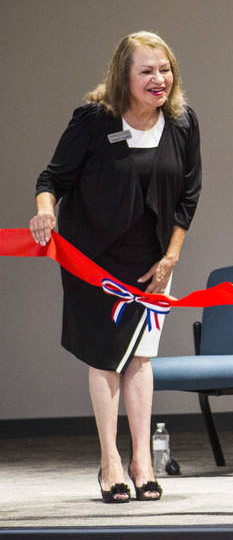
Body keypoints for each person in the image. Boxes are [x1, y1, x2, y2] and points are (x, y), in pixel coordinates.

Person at [31, 31, 202, 503]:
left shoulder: (182, 122)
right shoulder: (93, 120)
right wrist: (46, 209)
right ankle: (109, 462)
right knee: (106, 358)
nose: (158, 79)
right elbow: (52, 178)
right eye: (146, 70)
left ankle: (141, 461)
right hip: (93, 262)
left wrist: (172, 256)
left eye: (164, 69)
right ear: (122, 76)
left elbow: (188, 194)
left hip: (153, 262)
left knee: (141, 357)